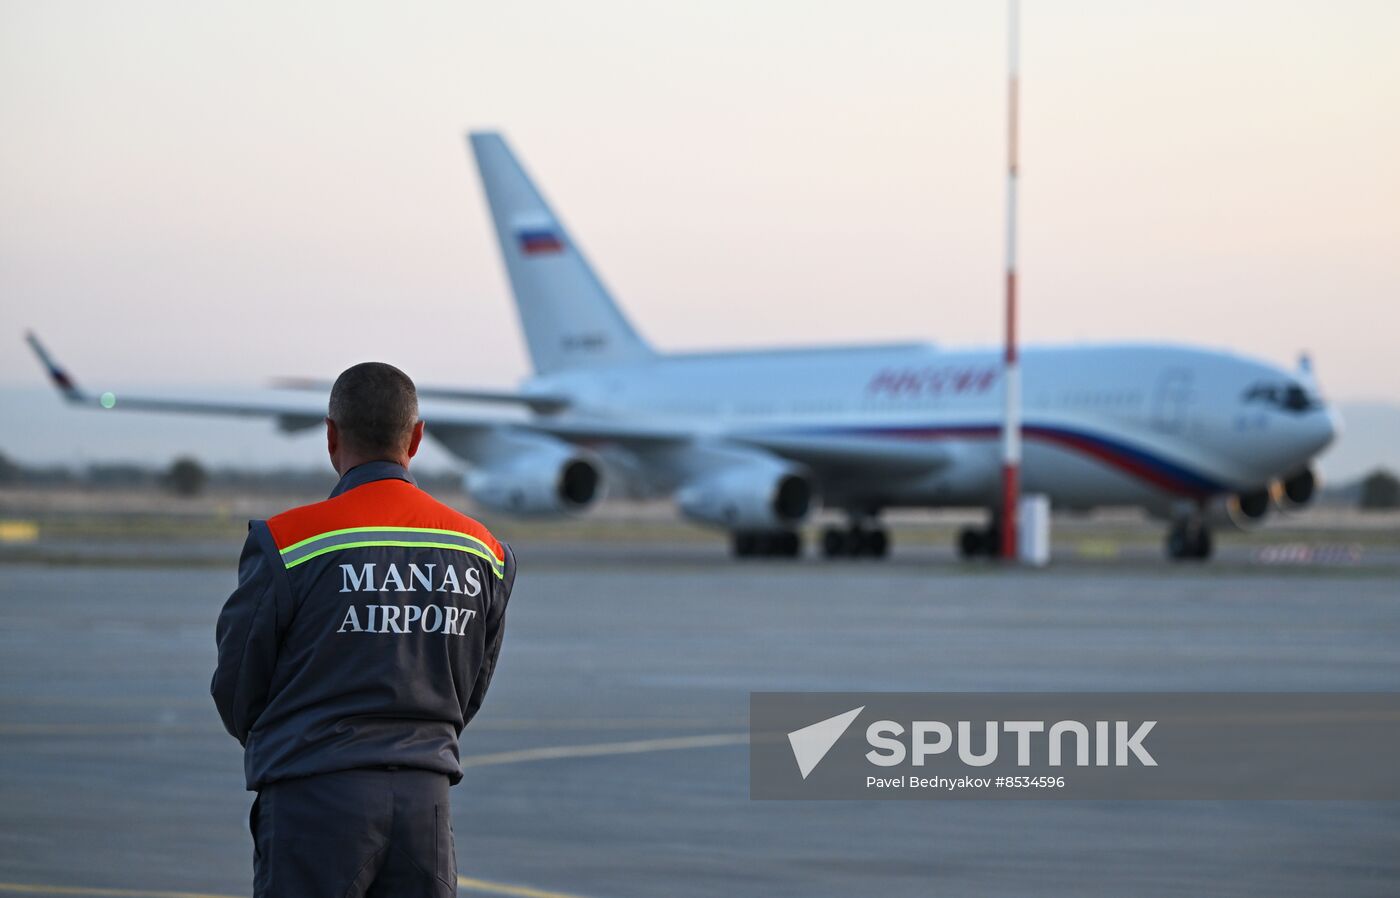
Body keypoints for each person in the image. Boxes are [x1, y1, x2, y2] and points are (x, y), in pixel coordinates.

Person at [211, 362, 516, 897]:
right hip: (427, 803)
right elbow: (472, 684)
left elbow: (238, 685)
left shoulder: (287, 542)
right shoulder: (483, 552)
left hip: (313, 795)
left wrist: (291, 744)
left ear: (331, 435)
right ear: (416, 438)